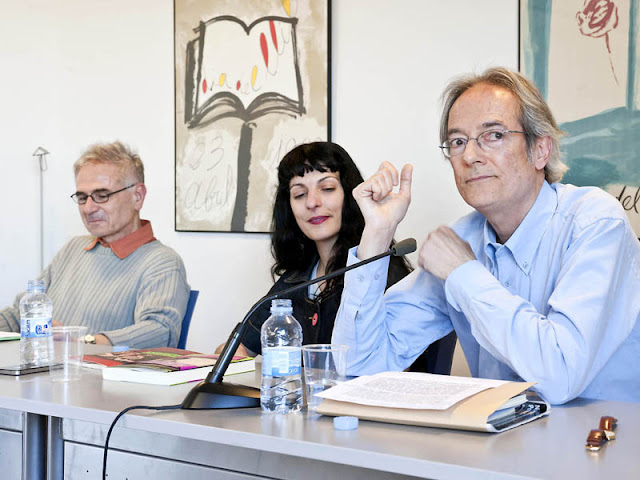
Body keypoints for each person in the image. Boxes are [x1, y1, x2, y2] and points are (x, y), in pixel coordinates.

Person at [332, 67, 640, 405]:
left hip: (602, 434)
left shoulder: (595, 222)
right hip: (498, 435)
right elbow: (358, 366)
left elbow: (560, 376)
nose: (470, 156)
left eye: (493, 135)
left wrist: (465, 274)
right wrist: (377, 235)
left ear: (541, 150)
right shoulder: (462, 238)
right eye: (457, 142)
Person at [234, 141, 455, 373]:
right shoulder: (295, 279)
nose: (312, 202)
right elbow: (238, 349)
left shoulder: (379, 271)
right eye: (299, 194)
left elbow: (391, 374)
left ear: (350, 195)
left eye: (327, 188)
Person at [0, 141, 190, 348]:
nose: (88, 208)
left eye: (102, 196)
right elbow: (20, 314)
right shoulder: (74, 248)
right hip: (49, 366)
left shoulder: (162, 262)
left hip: (99, 369)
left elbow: (160, 332)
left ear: (137, 196)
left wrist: (82, 342)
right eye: (82, 197)